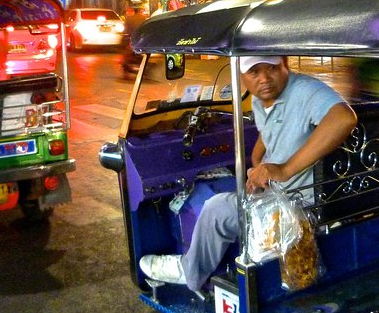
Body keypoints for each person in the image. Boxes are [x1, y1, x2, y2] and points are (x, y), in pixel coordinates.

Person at [139, 56, 357, 292]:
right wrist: (257, 159)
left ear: (285, 64)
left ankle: (190, 272)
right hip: (277, 194)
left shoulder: (304, 91)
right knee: (232, 189)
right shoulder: (260, 99)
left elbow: (343, 118)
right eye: (254, 72)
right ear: (242, 77)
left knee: (216, 209)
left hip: (301, 210)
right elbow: (269, 129)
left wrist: (285, 169)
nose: (264, 78)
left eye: (272, 68)